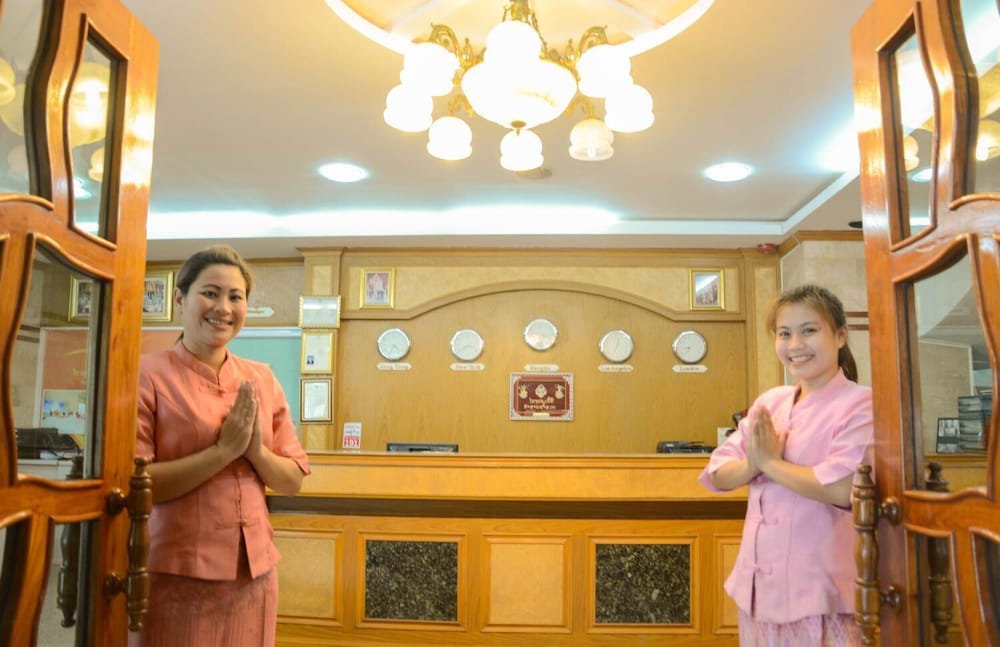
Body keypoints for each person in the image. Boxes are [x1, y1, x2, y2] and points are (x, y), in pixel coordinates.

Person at [132, 245, 310, 647]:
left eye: (236, 297)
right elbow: (135, 484)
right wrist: (222, 452)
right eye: (210, 293)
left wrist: (256, 452)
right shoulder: (147, 375)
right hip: (175, 573)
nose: (223, 308)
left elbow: (292, 479)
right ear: (180, 299)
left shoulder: (261, 378)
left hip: (255, 572)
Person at [698, 284, 873, 646]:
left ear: (840, 335)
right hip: (758, 589)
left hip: (821, 590)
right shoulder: (772, 401)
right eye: (784, 333)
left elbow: (843, 488)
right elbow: (718, 473)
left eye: (809, 331)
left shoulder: (861, 403)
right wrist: (753, 466)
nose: (795, 345)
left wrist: (768, 463)